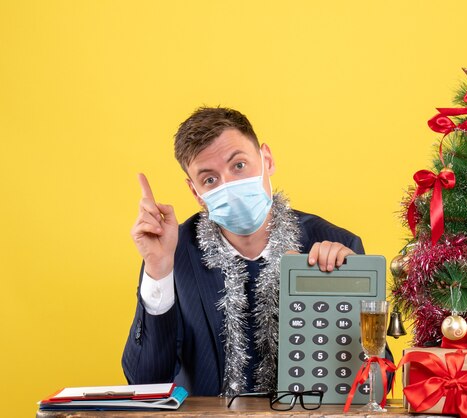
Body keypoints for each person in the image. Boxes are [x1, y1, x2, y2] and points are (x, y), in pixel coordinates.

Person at [122, 107, 365, 397]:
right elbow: (144, 382)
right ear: (196, 193)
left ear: (267, 159)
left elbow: (374, 383)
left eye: (238, 165)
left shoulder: (337, 245)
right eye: (210, 179)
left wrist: (349, 288)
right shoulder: (173, 251)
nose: (230, 185)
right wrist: (158, 270)